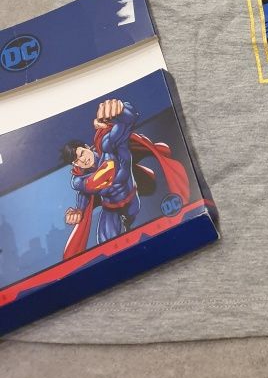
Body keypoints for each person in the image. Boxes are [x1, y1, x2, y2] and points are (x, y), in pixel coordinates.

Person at [61, 98, 190, 258]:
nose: (83, 160)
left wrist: (121, 109)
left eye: (81, 153)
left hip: (133, 201)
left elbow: (128, 120)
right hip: (111, 209)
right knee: (106, 244)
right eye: (77, 161)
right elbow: (84, 193)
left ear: (87, 147)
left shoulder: (109, 146)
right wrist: (78, 212)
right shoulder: (79, 180)